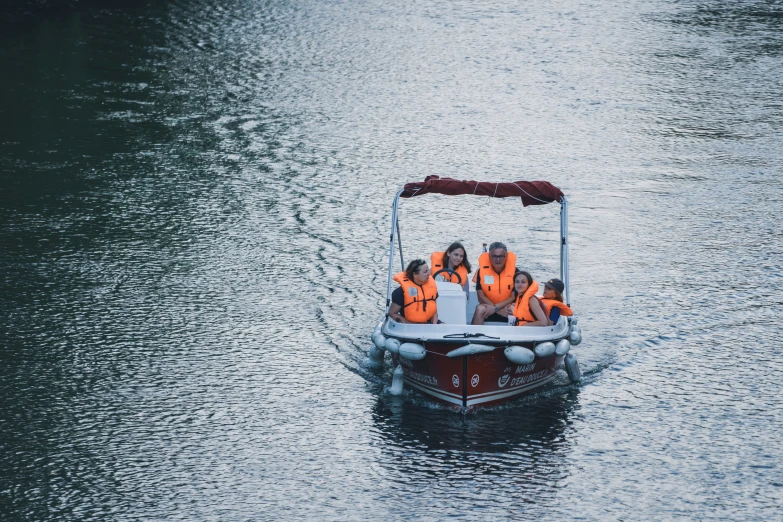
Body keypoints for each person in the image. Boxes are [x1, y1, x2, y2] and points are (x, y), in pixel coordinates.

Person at [471, 242, 518, 325]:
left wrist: (497, 308)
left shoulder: (516, 272)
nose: (498, 259)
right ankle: (474, 335)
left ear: (506, 256)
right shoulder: (481, 272)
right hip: (489, 307)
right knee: (479, 309)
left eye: (501, 256)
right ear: (489, 256)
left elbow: (513, 296)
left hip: (507, 307)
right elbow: (480, 296)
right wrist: (497, 309)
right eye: (494, 256)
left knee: (516, 309)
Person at [388, 259, 439, 324]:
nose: (429, 274)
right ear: (415, 275)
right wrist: (409, 324)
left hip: (428, 323)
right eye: (425, 272)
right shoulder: (400, 292)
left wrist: (434, 323)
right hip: (409, 326)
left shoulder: (431, 287)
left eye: (428, 271)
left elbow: (434, 308)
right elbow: (392, 313)